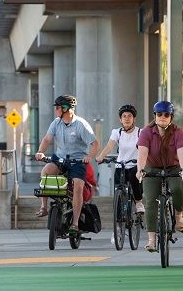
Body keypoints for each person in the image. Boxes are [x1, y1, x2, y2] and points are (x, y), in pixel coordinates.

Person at [34, 95, 100, 233]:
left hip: (77, 160)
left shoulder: (81, 124)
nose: (56, 110)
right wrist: (40, 151)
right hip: (60, 158)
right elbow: (47, 139)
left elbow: (95, 144)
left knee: (78, 186)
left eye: (58, 107)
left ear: (66, 109)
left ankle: (75, 224)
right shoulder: (56, 123)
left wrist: (89, 156)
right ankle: (44, 207)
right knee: (46, 172)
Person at [136, 100, 183, 252]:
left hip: (173, 167)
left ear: (171, 117)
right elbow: (142, 153)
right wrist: (140, 169)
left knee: (178, 188)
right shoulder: (146, 132)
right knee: (150, 199)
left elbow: (182, 153)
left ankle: (179, 214)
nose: (163, 117)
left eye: (167, 114)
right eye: (159, 114)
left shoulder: (179, 133)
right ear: (155, 115)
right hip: (152, 168)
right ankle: (152, 240)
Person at [96, 104, 144, 214]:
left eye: (129, 116)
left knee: (134, 178)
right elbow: (109, 146)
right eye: (124, 116)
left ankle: (138, 202)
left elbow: (143, 149)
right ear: (120, 119)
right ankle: (118, 225)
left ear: (134, 119)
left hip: (135, 165)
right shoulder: (117, 132)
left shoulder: (140, 132)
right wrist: (101, 157)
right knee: (118, 191)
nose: (127, 118)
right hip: (121, 165)